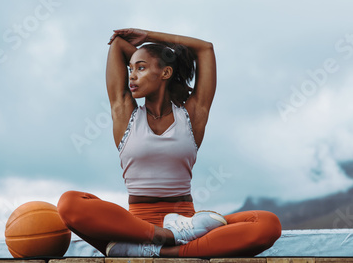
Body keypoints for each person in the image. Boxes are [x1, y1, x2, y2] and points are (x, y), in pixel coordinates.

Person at [57, 28, 282, 257]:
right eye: (131, 69)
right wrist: (148, 60)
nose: (132, 76)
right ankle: (166, 240)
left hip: (187, 223)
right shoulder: (125, 113)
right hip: (134, 226)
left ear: (165, 73)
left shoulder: (191, 115)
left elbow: (205, 49)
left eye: (141, 68)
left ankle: (152, 251)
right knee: (69, 204)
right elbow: (117, 45)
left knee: (267, 224)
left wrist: (147, 36)